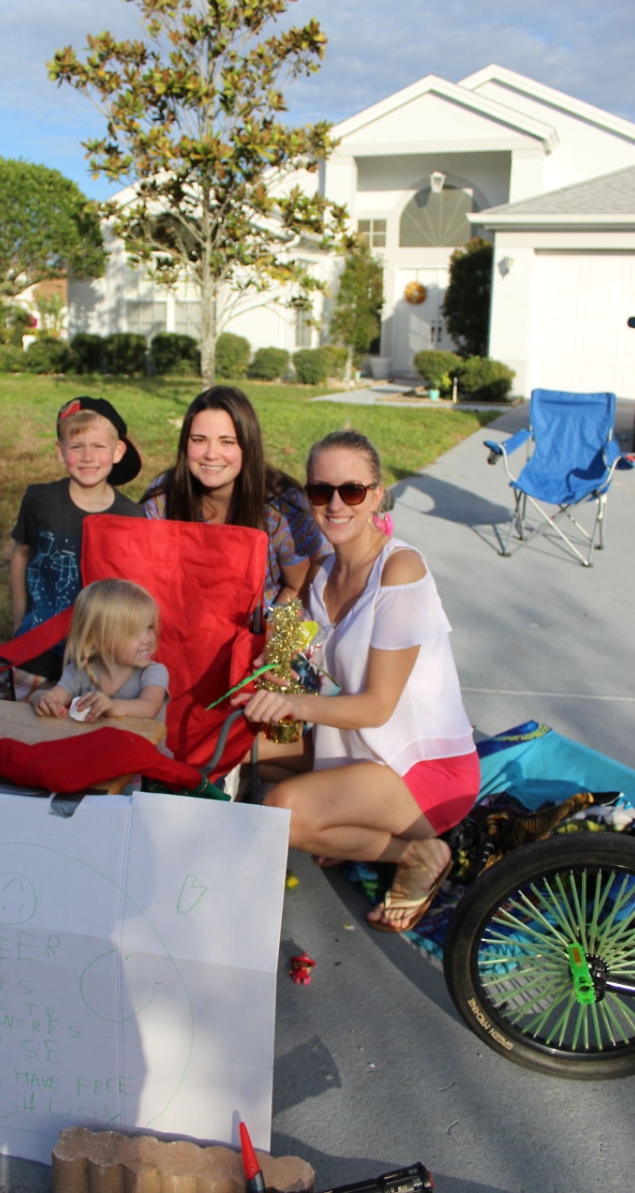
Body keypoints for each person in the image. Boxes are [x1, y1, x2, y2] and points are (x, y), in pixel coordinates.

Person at [234, 429, 480, 934]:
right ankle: (342, 830)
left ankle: (415, 854)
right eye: (321, 491)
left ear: (377, 494)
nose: (335, 504)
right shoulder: (323, 572)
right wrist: (273, 664)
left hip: (422, 770)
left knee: (281, 811)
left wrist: (291, 705)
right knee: (235, 747)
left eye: (352, 490)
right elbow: (289, 643)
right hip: (355, 749)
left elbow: (376, 707)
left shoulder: (400, 570)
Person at [141, 386, 327, 608]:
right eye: (199, 440)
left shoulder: (283, 504)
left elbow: (299, 587)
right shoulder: (162, 497)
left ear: (247, 446)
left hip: (261, 632)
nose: (211, 454)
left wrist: (271, 637)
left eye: (227, 441)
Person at [10, 396, 144, 683]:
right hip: (35, 645)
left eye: (98, 446)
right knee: (26, 721)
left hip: (97, 654)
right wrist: (19, 619)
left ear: (118, 450)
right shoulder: (39, 500)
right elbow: (20, 553)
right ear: (60, 451)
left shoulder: (131, 515)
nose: (87, 457)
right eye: (76, 447)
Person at [32, 578, 168, 722]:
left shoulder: (153, 672)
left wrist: (112, 706)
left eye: (150, 627)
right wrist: (41, 698)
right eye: (134, 632)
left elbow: (150, 707)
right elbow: (53, 696)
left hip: (144, 744)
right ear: (98, 639)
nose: (148, 638)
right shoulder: (80, 672)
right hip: (97, 744)